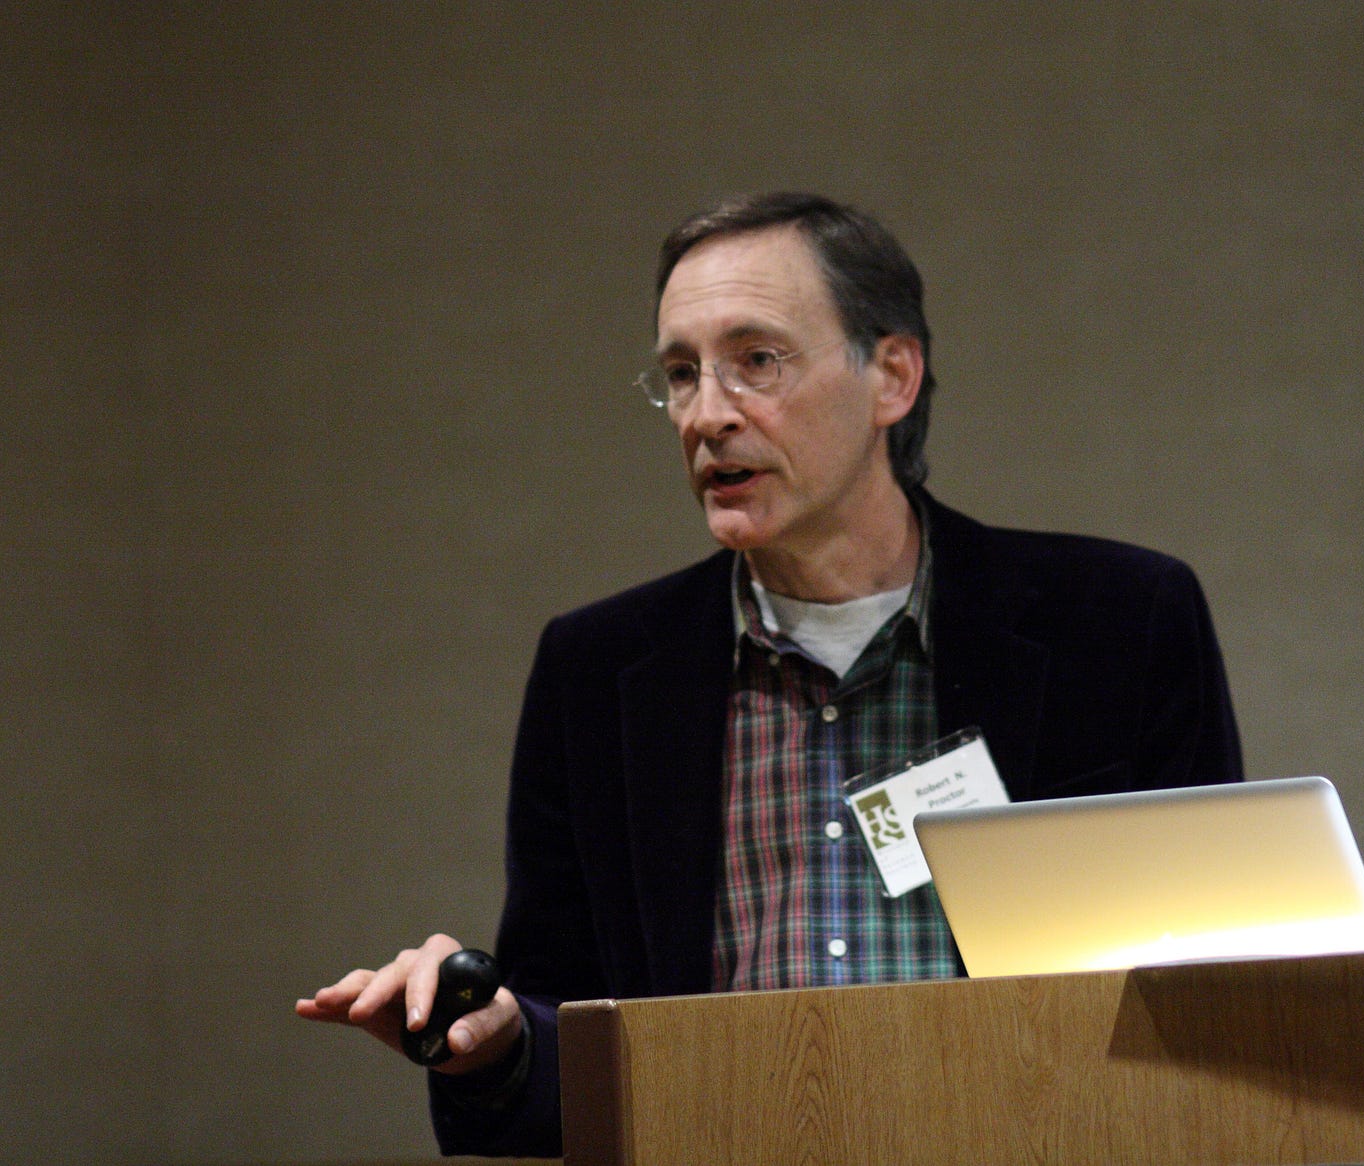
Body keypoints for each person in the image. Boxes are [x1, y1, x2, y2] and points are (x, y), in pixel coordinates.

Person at [296, 192, 1242, 1158]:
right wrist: (494, 1045)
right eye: (681, 374)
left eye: (757, 361)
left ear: (892, 376)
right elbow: (569, 1046)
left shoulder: (1117, 624)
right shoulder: (599, 672)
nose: (707, 416)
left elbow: (1215, 1004)